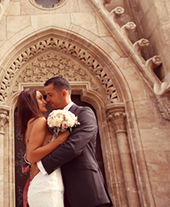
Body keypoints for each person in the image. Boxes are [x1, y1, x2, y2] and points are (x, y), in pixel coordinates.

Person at [37, 76, 113, 207]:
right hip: (61, 189)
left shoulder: (85, 113)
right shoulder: (50, 120)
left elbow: (74, 147)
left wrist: (41, 165)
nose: (47, 99)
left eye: (50, 95)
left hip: (86, 187)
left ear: (64, 93)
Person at [17, 88, 70, 207]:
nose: (45, 101)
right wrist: (60, 140)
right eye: (40, 98)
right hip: (46, 185)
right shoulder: (40, 121)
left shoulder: (30, 123)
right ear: (31, 103)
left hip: (43, 182)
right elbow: (31, 155)